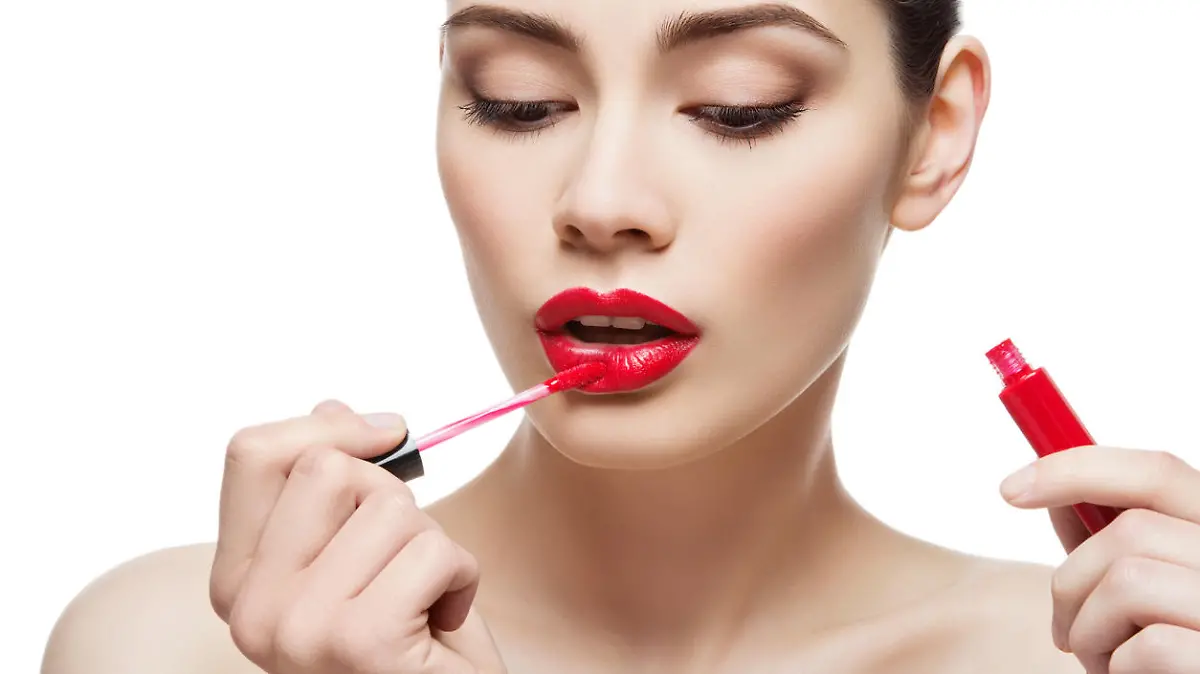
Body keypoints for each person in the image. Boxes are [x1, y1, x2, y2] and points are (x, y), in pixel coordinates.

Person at [40, 1, 1200, 672]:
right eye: (518, 98)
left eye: (739, 104)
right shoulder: (167, 647)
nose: (601, 199)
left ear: (933, 135)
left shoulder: (1100, 659)